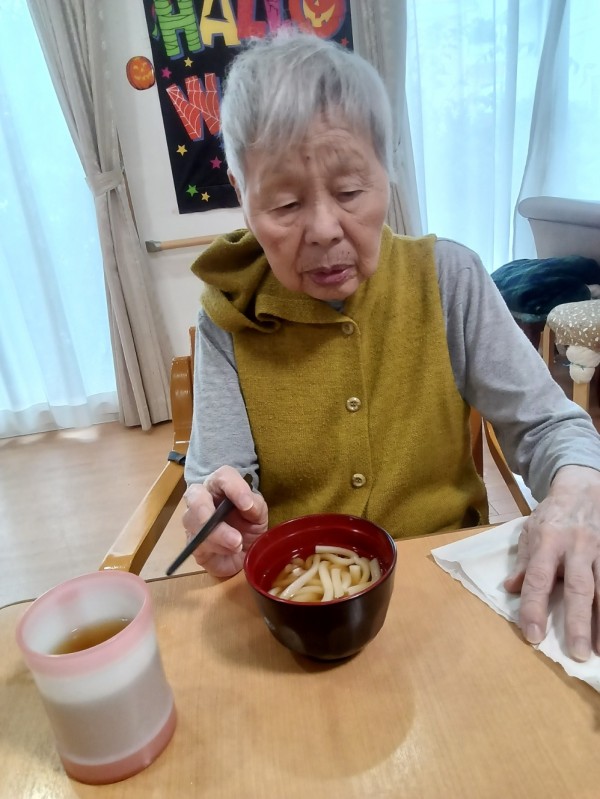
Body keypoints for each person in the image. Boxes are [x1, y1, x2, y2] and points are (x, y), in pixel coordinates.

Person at [182, 29, 600, 663]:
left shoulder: (448, 278)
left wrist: (577, 489)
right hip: (305, 612)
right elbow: (219, 481)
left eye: (351, 192)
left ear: (389, 170)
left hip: (453, 587)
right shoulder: (228, 316)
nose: (325, 230)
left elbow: (548, 425)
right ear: (242, 195)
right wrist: (219, 517)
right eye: (286, 203)